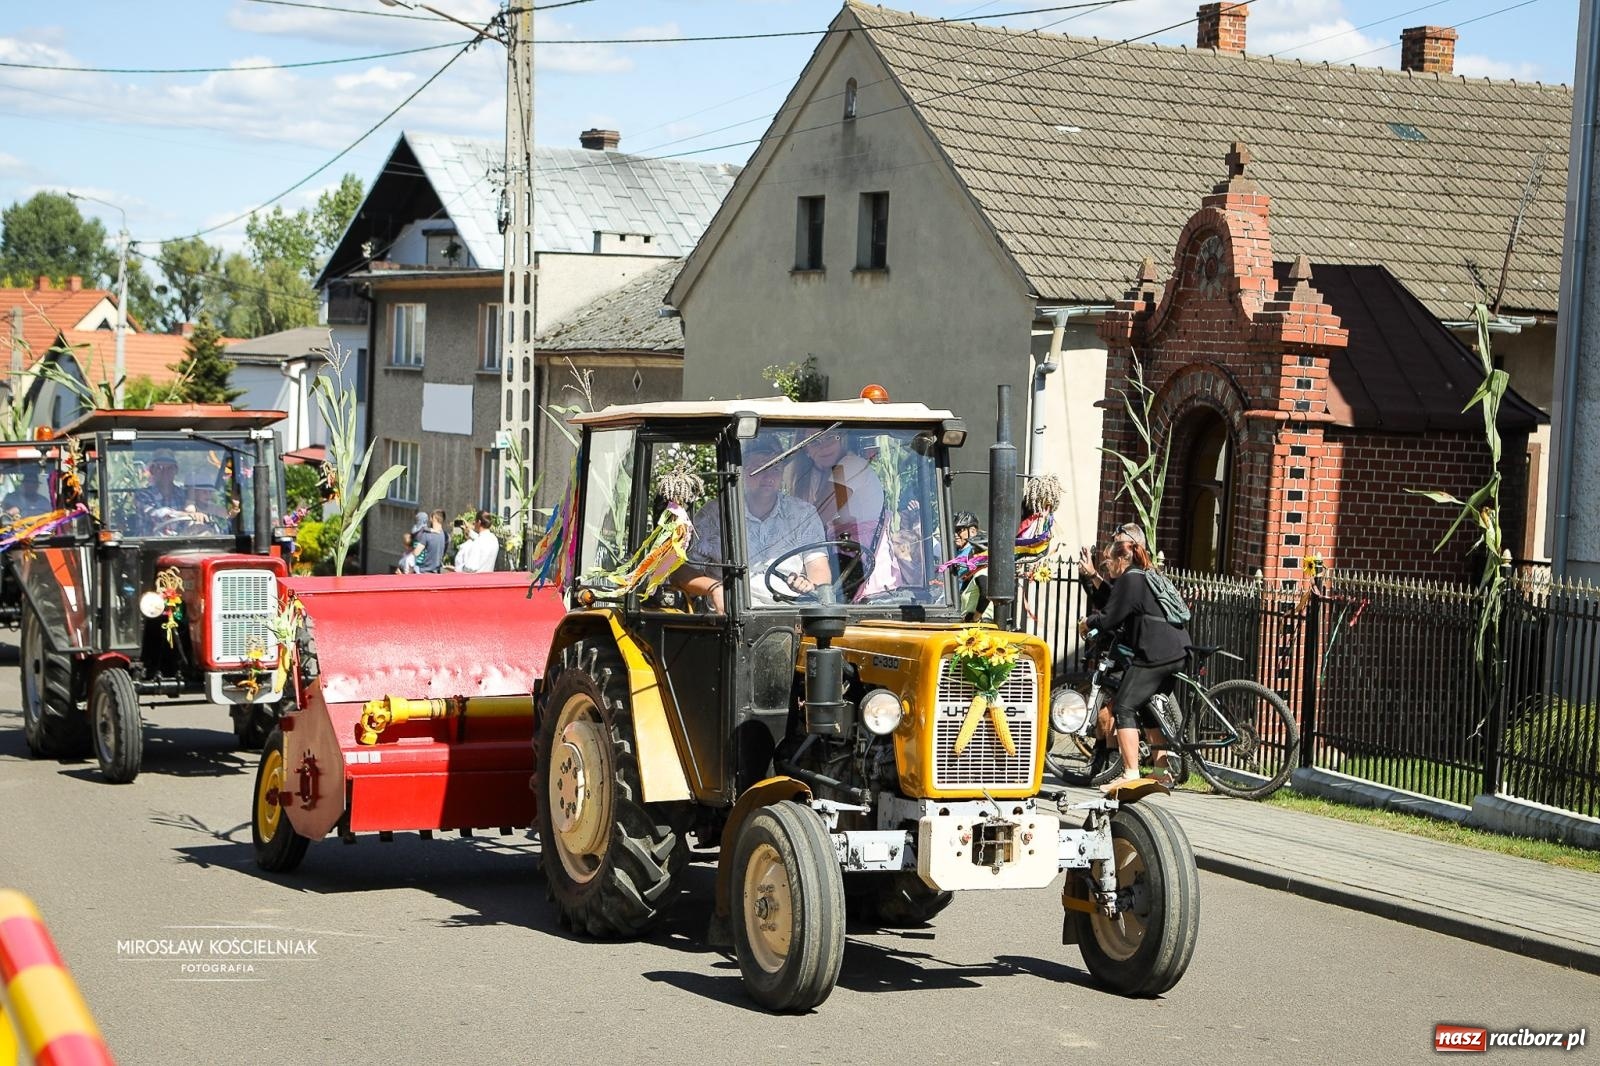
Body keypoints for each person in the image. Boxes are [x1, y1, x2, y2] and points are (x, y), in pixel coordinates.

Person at [1080, 535, 1190, 792]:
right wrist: (1095, 577)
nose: (1108, 568)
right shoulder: (1145, 575)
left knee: (1124, 706)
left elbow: (1110, 617)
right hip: (1178, 650)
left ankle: (1130, 772)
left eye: (1108, 563)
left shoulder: (1130, 578)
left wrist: (1088, 623)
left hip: (1155, 653)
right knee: (1148, 709)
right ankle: (1162, 773)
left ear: (1121, 559)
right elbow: (1119, 604)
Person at [679, 436, 832, 612]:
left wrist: (808, 585)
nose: (768, 476)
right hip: (730, 616)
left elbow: (819, 569)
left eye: (775, 469)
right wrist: (714, 589)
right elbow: (682, 571)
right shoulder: (714, 514)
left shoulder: (803, 514)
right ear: (742, 472)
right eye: (759, 469)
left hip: (790, 616)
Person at [793, 428, 885, 552]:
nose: (824, 447)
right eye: (814, 442)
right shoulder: (817, 474)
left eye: (830, 438)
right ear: (805, 450)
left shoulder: (850, 465)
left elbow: (815, 520)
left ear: (841, 438)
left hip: (861, 560)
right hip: (844, 555)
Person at [138, 449, 212, 533]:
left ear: (176, 470)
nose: (165, 472)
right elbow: (158, 514)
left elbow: (203, 509)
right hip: (150, 544)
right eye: (160, 468)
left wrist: (198, 513)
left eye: (170, 468)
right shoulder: (143, 495)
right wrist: (189, 515)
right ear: (152, 470)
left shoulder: (184, 494)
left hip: (183, 543)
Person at [415, 510, 447, 575]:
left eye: (430, 518)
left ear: (434, 518)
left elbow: (416, 553)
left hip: (424, 571)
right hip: (437, 572)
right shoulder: (445, 536)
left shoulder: (427, 535)